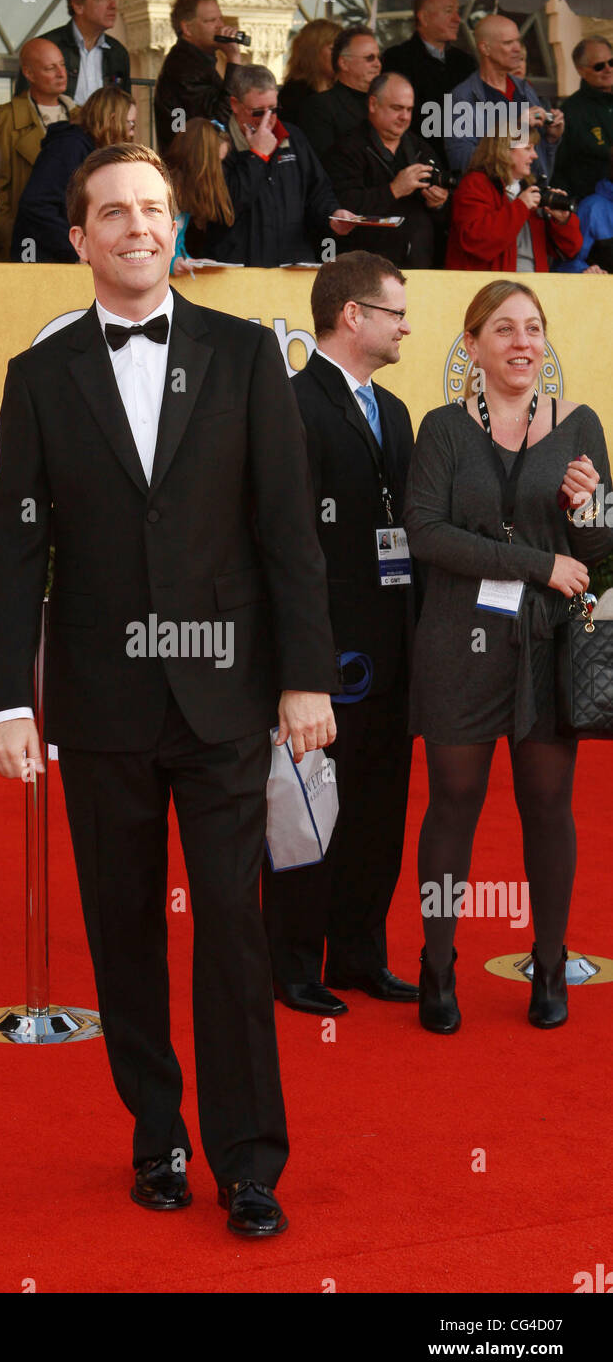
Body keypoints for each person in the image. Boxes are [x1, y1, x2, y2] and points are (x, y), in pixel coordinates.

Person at [0, 141, 339, 1237]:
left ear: (174, 228)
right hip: (99, 708)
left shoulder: (243, 357)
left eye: (155, 208)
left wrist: (304, 679)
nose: (140, 226)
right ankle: (157, 1137)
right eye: (115, 212)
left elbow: (287, 534)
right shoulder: (37, 377)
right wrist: (9, 699)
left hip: (226, 700)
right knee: (124, 932)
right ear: (80, 236)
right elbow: (18, 553)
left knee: (231, 928)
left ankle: (246, 1159)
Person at [404, 279, 613, 1033]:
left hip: (547, 649)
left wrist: (588, 510)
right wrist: (537, 565)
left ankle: (549, 963)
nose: (521, 342)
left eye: (532, 328)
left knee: (548, 807)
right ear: (474, 346)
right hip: (456, 643)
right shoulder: (442, 429)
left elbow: (596, 552)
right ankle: (437, 963)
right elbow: (425, 534)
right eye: (503, 330)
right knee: (453, 804)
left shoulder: (579, 423)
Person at [262, 251, 419, 1015]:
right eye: (396, 313)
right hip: (323, 661)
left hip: (390, 655)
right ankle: (292, 963)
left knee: (376, 813)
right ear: (353, 316)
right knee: (306, 812)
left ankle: (359, 955)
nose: (407, 327)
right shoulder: (290, 403)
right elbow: (282, 548)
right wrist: (304, 667)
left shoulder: (394, 412)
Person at [194, 64, 356, 268]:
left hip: (291, 266)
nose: (267, 120)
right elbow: (225, 207)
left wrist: (332, 214)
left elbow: (318, 190)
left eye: (273, 110)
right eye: (258, 112)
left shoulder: (293, 137)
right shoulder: (218, 143)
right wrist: (258, 157)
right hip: (237, 270)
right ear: (235, 105)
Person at [324, 72, 449, 268]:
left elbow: (447, 220)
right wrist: (393, 190)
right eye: (397, 108)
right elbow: (343, 211)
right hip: (366, 270)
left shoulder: (421, 149)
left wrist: (439, 204)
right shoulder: (347, 149)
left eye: (409, 109)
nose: (405, 117)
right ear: (373, 104)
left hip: (420, 267)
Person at [11, 86, 135, 263]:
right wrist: (76, 249)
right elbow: (36, 205)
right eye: (130, 123)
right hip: (45, 263)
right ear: (113, 120)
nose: (132, 131)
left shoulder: (89, 150)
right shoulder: (69, 147)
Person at [0, 38, 77, 263]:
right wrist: (10, 235)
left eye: (63, 65)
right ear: (29, 73)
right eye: (50, 68)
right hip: (24, 248)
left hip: (72, 248)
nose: (61, 73)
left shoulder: (81, 117)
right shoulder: (5, 119)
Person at [444, 15, 564, 180]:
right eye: (508, 43)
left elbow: (537, 160)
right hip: (494, 201)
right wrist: (516, 129)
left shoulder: (525, 89)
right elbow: (462, 163)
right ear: (485, 49)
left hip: (532, 199)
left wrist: (551, 138)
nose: (517, 49)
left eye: (518, 41)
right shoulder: (462, 98)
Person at [446, 128, 581, 272]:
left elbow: (569, 251)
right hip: (491, 289)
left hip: (534, 286)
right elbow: (475, 241)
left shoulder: (530, 191)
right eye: (528, 148)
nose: (535, 155)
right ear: (504, 150)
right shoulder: (475, 184)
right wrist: (521, 206)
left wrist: (561, 222)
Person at [382, 0, 475, 160]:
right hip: (418, 165)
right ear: (424, 18)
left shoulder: (466, 63)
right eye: (449, 11)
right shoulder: (397, 60)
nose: (457, 19)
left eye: (458, 11)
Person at [153, 0, 243, 154]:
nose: (220, 26)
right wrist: (234, 59)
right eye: (210, 21)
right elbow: (218, 120)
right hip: (192, 167)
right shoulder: (184, 67)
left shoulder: (194, 61)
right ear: (187, 28)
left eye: (220, 19)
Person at [298, 24, 382, 165]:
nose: (378, 64)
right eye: (369, 58)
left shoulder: (384, 104)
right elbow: (324, 165)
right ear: (343, 63)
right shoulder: (320, 107)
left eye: (378, 57)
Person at [163, 115, 232, 270]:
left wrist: (190, 261)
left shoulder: (186, 191)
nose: (219, 171)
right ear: (199, 160)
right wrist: (175, 263)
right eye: (216, 162)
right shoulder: (162, 189)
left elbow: (176, 246)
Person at [553, 38, 613, 206]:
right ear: (581, 70)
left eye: (611, 62)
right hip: (594, 207)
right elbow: (560, 168)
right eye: (599, 66)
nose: (608, 69)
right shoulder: (571, 112)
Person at [44, 0, 130, 106]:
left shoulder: (118, 52)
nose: (113, 5)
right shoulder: (47, 47)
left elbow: (125, 107)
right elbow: (25, 106)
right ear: (78, 5)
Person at [279, 18, 340, 126]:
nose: (340, 55)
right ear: (313, 52)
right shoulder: (295, 94)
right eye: (333, 49)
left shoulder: (340, 91)